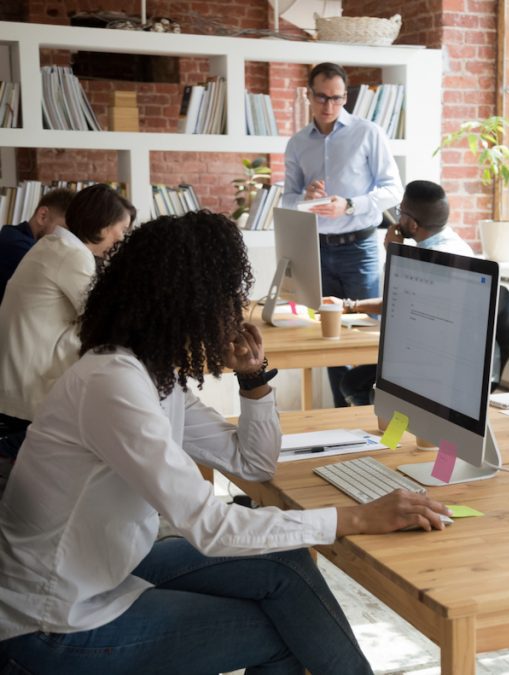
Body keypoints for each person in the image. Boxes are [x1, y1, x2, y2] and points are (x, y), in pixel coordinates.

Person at [0, 211, 450, 674]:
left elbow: (252, 465)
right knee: (281, 631)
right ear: (186, 303)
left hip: (104, 571)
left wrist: (253, 379)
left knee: (286, 563)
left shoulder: (153, 375)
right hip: (52, 620)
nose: (234, 311)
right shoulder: (113, 383)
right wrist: (356, 516)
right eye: (227, 297)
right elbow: (210, 526)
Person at [282, 61, 403, 407]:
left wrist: (348, 204)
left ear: (345, 96)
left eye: (336, 98)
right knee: (328, 338)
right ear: (309, 95)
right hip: (316, 250)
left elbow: (393, 190)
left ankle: (375, 413)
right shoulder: (296, 144)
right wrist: (305, 198)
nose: (329, 106)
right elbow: (287, 199)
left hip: (359, 247)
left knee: (370, 334)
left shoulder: (368, 133)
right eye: (321, 97)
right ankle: (341, 415)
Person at [0, 184, 135, 463]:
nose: (122, 237)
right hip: (28, 394)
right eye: (122, 229)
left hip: (18, 382)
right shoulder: (71, 255)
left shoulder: (55, 246)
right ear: (102, 225)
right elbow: (105, 320)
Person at [332, 180, 474, 406]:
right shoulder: (455, 244)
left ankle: (389, 432)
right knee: (355, 380)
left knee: (355, 384)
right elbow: (400, 300)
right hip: (451, 359)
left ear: (413, 225)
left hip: (433, 363)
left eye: (400, 212)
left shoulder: (431, 260)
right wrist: (350, 304)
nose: (397, 218)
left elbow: (400, 306)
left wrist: (395, 255)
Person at [0, 187, 74, 304]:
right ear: (42, 216)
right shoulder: (17, 247)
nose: (67, 240)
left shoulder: (13, 236)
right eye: (65, 231)